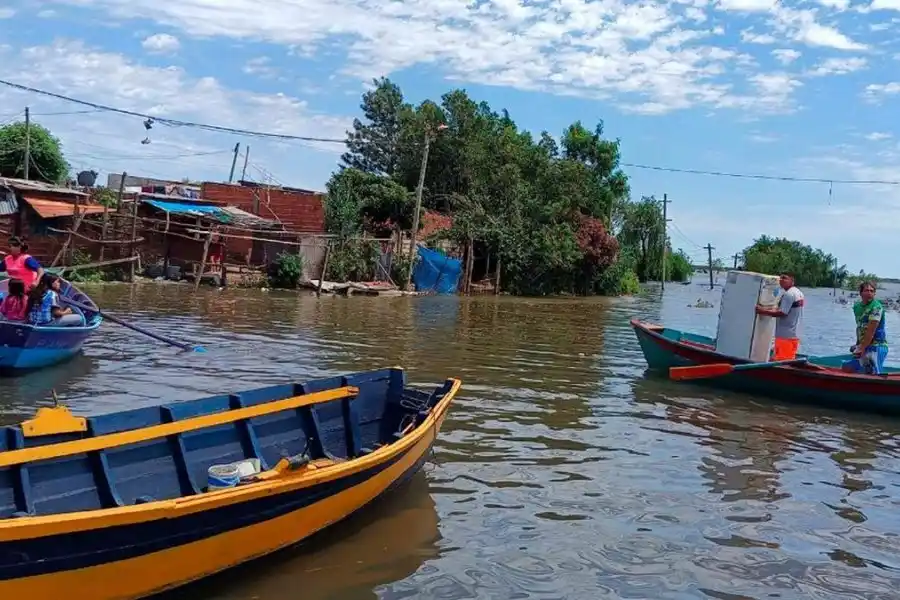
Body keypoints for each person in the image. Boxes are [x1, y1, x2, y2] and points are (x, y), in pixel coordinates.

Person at [755, 272, 805, 360]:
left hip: (785, 335)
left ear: (792, 281)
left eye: (784, 278)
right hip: (794, 334)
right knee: (789, 359)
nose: (781, 280)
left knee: (782, 360)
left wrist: (762, 311)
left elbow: (782, 313)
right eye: (780, 278)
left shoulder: (788, 294)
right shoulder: (799, 293)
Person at [842, 280, 888, 374]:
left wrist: (861, 348)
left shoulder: (876, 307)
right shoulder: (857, 307)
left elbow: (871, 331)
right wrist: (858, 344)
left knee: (875, 373)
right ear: (861, 293)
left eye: (872, 291)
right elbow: (860, 327)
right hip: (865, 345)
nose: (869, 293)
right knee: (847, 368)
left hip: (877, 346)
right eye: (867, 290)